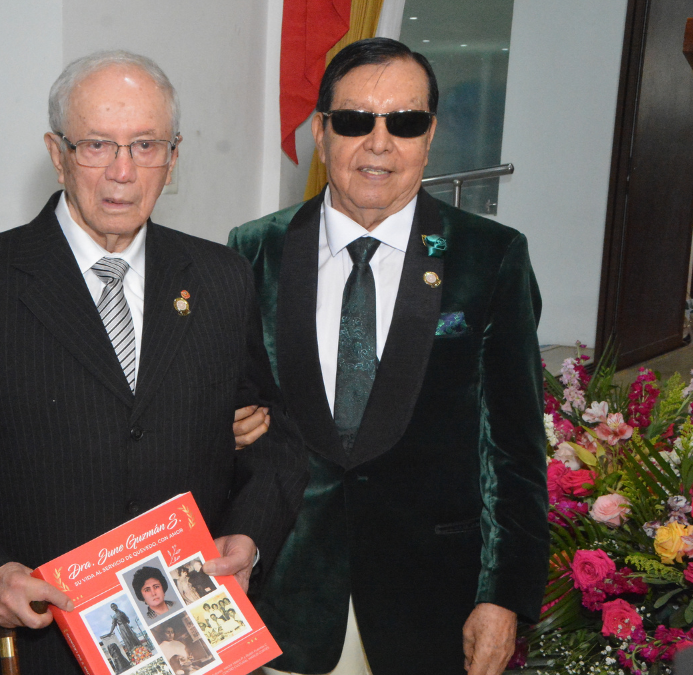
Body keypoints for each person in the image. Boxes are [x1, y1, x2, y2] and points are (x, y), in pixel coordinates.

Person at [0, 50, 307, 675]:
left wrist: (251, 536)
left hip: (193, 637)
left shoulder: (221, 280)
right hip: (44, 642)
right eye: (97, 145)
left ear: (174, 156)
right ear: (57, 154)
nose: (123, 172)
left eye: (146, 145)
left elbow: (271, 438)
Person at [228, 38, 548, 675]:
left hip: (434, 604)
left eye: (403, 123)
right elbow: (224, 397)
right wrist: (221, 427)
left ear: (429, 137)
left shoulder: (490, 258)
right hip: (282, 597)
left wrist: (503, 596)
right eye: (353, 121)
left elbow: (513, 450)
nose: (379, 144)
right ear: (322, 133)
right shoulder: (253, 250)